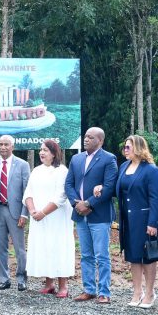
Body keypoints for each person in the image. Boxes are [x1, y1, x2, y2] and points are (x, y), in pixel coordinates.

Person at [95, 135, 158, 308]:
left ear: (138, 148)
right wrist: (102, 187)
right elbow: (118, 190)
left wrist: (152, 223)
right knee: (133, 256)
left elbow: (155, 199)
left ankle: (150, 293)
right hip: (128, 219)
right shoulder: (124, 166)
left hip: (145, 219)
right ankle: (137, 292)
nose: (125, 150)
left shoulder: (151, 170)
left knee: (148, 256)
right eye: (124, 147)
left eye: (128, 147)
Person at [65, 127, 118, 304]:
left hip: (99, 215)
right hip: (80, 214)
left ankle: (104, 292)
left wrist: (88, 203)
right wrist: (77, 204)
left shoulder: (109, 159)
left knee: (102, 255)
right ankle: (89, 289)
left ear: (100, 141)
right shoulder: (76, 159)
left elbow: (109, 187)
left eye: (91, 137)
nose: (86, 139)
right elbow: (68, 184)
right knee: (86, 255)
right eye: (86, 136)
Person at [23, 140, 74, 297]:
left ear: (53, 153)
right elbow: (28, 193)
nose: (41, 152)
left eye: (45, 150)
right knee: (44, 247)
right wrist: (32, 210)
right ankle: (49, 283)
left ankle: (63, 286)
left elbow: (61, 196)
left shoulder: (62, 171)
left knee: (58, 247)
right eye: (41, 149)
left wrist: (43, 212)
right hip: (39, 218)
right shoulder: (36, 170)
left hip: (57, 218)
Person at [0, 135, 30, 291]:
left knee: (19, 248)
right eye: (0, 144)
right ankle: (4, 279)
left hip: (16, 212)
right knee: (0, 248)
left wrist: (24, 214)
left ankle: (21, 278)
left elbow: (27, 191)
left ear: (13, 147)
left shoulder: (23, 164)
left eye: (6, 144)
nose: (3, 147)